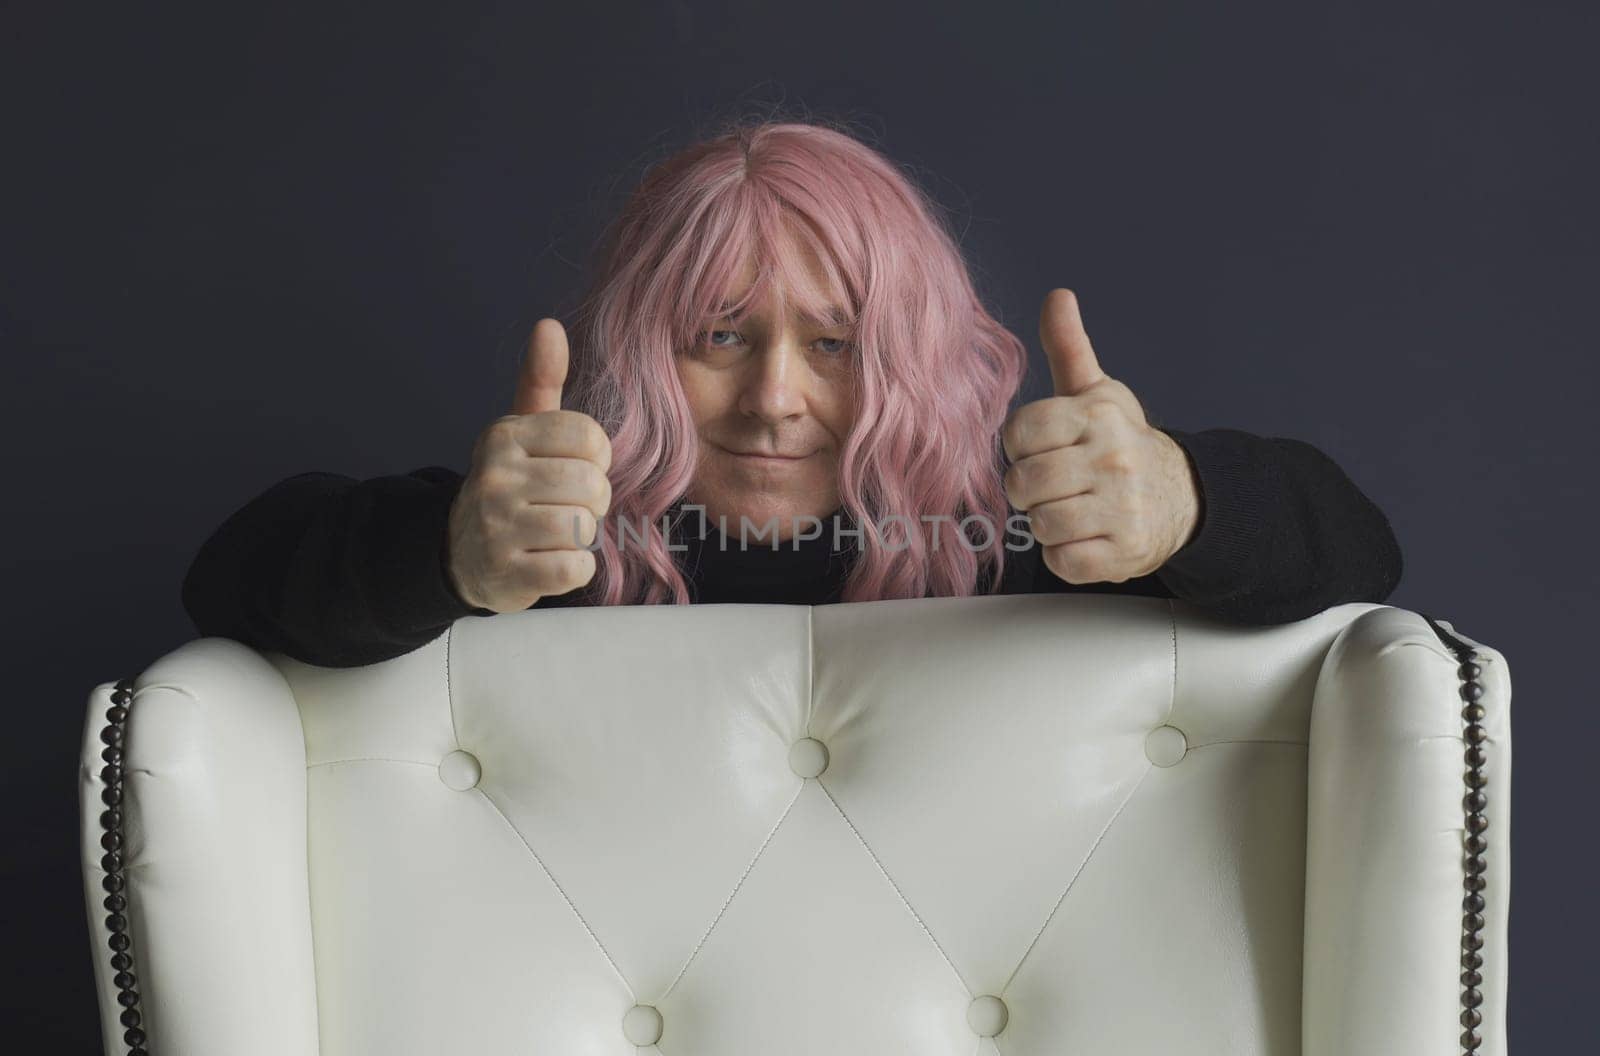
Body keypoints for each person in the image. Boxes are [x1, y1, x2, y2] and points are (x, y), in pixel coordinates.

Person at [181, 119, 1402, 669]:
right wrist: (447, 556)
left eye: (833, 343)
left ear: (911, 361)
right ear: (644, 352)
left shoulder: (1028, 546)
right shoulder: (534, 552)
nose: (773, 399)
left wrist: (1184, 505)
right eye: (720, 334)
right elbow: (235, 580)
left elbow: (1358, 552)